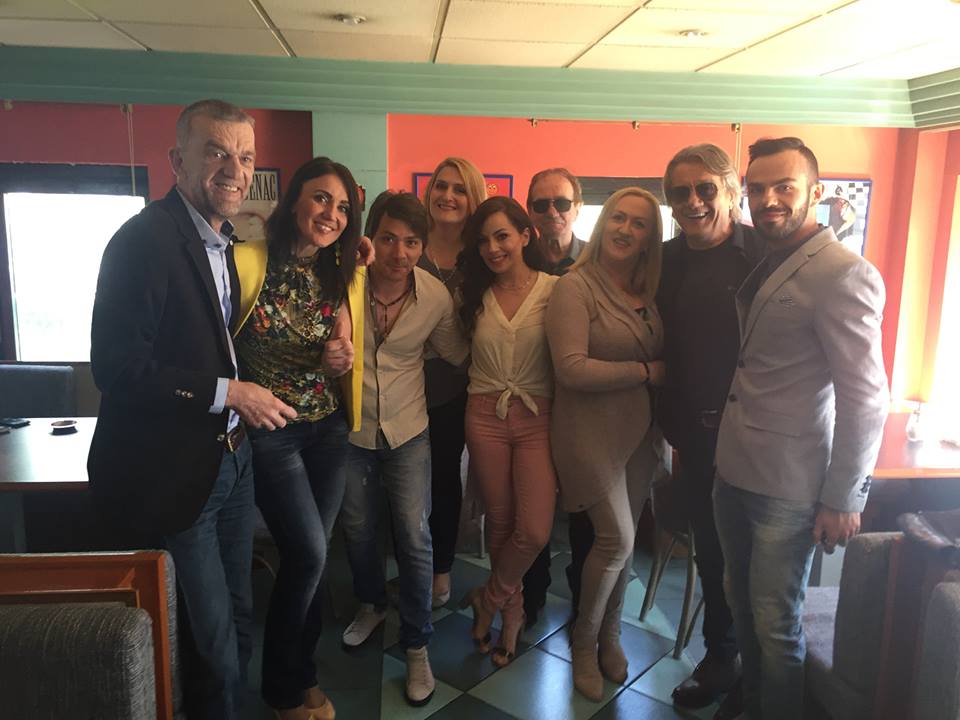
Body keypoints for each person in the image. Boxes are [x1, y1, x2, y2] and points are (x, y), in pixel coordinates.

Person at [88, 99, 297, 720]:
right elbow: (117, 368)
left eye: (246, 156)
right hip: (179, 474)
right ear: (178, 160)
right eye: (217, 152)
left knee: (239, 614)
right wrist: (230, 393)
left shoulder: (221, 241)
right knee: (210, 643)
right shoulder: (142, 242)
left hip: (232, 460)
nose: (235, 169)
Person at [714, 137, 889, 720]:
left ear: (815, 193)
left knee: (775, 624)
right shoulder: (767, 258)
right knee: (741, 605)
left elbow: (867, 396)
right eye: (757, 188)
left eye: (784, 186)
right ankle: (755, 706)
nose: (769, 199)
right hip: (733, 470)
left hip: (789, 488)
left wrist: (844, 497)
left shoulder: (844, 274)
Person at [233, 156, 366, 720]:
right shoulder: (245, 261)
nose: (332, 213)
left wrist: (342, 356)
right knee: (309, 554)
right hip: (272, 432)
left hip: (328, 429)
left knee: (308, 557)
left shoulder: (344, 270)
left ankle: (301, 674)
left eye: (343, 207)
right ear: (294, 202)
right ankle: (283, 690)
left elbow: (345, 347)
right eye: (321, 198)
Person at [338, 190, 470, 707]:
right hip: (351, 429)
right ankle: (371, 603)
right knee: (357, 527)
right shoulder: (344, 282)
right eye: (389, 239)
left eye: (412, 242)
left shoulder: (435, 297)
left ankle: (417, 643)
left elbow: (458, 353)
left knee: (415, 536)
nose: (400, 253)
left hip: (409, 429)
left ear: (423, 245)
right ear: (370, 237)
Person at [657, 143, 764, 719]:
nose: (693, 201)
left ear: (731, 191)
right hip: (695, 441)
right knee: (715, 560)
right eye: (680, 192)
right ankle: (721, 659)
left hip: (762, 437)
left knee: (762, 566)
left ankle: (761, 678)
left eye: (705, 189)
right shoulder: (663, 261)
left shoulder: (765, 253)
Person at [546, 187, 665, 702]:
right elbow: (570, 369)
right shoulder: (575, 287)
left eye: (639, 223)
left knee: (628, 541)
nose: (625, 229)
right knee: (615, 539)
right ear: (602, 223)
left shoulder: (649, 289)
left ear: (649, 238)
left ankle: (611, 635)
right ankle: (584, 641)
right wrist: (645, 372)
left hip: (639, 433)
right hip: (587, 431)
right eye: (618, 218)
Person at [458, 196, 558, 668]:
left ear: (525, 235)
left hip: (538, 416)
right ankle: (511, 620)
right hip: (484, 415)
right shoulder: (473, 295)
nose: (493, 248)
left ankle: (490, 598)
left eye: (502, 236)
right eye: (483, 240)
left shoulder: (556, 289)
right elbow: (451, 349)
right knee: (499, 523)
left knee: (533, 530)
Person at [522, 167, 594, 626]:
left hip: (582, 405)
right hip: (530, 401)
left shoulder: (598, 261)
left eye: (561, 203)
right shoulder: (514, 258)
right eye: (541, 204)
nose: (552, 212)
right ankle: (531, 597)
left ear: (577, 207)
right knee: (532, 509)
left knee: (584, 510)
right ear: (529, 211)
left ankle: (584, 601)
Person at [417, 158, 488, 608]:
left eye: (459, 189)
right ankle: (410, 564)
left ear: (472, 198)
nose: (448, 195)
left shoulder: (481, 257)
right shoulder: (409, 243)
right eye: (441, 186)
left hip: (456, 388)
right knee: (401, 482)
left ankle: (440, 570)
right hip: (399, 385)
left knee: (443, 477)